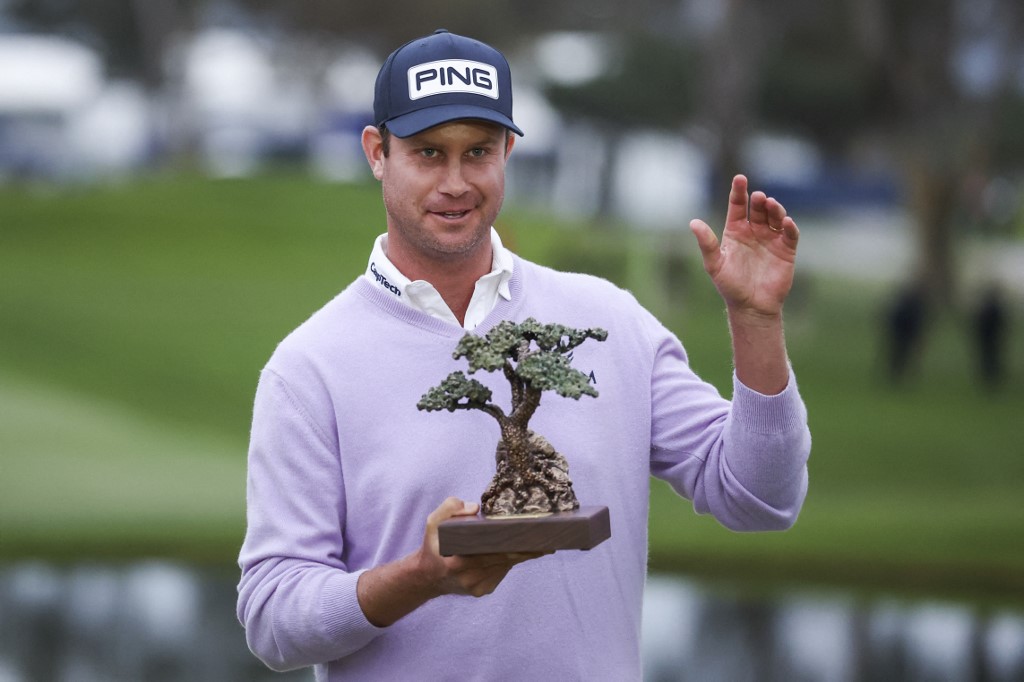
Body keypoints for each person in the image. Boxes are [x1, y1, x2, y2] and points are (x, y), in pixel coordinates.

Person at [237, 29, 810, 680]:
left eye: (477, 152)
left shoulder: (607, 320)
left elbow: (761, 498)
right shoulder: (310, 366)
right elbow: (273, 619)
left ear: (508, 149)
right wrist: (418, 578)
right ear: (378, 152)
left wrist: (756, 319)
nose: (455, 182)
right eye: (428, 153)